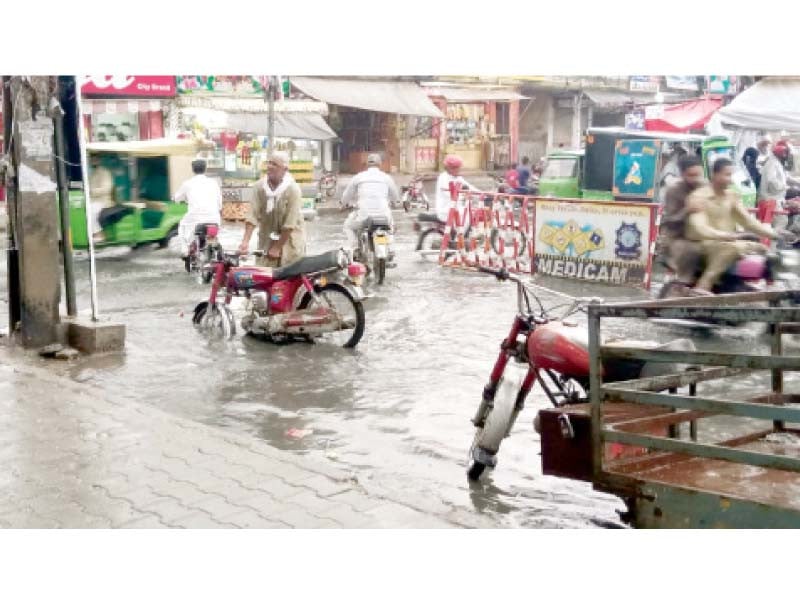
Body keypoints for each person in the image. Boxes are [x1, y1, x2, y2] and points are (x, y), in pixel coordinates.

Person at [686, 158, 789, 293]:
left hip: (729, 243)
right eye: (727, 175)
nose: (731, 179)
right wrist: (726, 236)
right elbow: (699, 228)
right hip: (704, 244)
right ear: (714, 175)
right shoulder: (699, 197)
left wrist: (775, 234)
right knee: (733, 247)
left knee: (765, 250)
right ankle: (704, 284)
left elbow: (748, 221)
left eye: (731, 175)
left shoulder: (732, 196)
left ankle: (770, 289)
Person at [238, 151, 306, 267]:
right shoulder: (260, 187)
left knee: (288, 278)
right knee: (264, 277)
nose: (270, 167)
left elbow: (290, 223)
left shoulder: (293, 190)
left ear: (284, 169)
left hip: (290, 242)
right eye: (269, 163)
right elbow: (252, 216)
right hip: (266, 240)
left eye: (274, 164)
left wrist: (277, 247)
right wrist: (245, 242)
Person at [658, 155, 707, 296]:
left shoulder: (706, 188)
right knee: (692, 250)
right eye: (691, 175)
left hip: (704, 235)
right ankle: (683, 286)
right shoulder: (674, 191)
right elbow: (670, 221)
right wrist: (687, 210)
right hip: (678, 237)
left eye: (698, 174)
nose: (696, 179)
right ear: (682, 174)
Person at [340, 153, 399, 257]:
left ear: (367, 164)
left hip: (364, 217)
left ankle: (355, 248)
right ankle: (390, 249)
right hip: (384, 216)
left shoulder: (359, 177)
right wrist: (395, 203)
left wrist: (343, 204)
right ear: (380, 164)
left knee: (348, 226)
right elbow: (395, 197)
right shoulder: (386, 178)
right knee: (391, 226)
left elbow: (347, 195)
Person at [172, 159, 222, 259]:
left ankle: (185, 250)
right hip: (214, 219)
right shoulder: (213, 183)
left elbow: (177, 198)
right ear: (205, 169)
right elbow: (220, 204)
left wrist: (174, 199)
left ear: (193, 169)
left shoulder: (187, 183)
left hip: (195, 219)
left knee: (182, 225)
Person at [435, 154, 480, 223]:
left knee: (475, 214)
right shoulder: (443, 178)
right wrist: (464, 196)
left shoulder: (457, 178)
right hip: (445, 210)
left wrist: (483, 194)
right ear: (448, 168)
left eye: (458, 167)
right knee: (468, 219)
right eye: (455, 167)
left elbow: (470, 187)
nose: (458, 169)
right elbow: (449, 194)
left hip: (456, 208)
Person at [88, 154, 115, 243]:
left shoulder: (105, 173)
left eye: (95, 159)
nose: (93, 161)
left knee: (90, 211)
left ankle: (99, 234)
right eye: (91, 160)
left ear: (99, 160)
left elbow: (106, 189)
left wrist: (91, 191)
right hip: (94, 200)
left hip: (103, 201)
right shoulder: (92, 173)